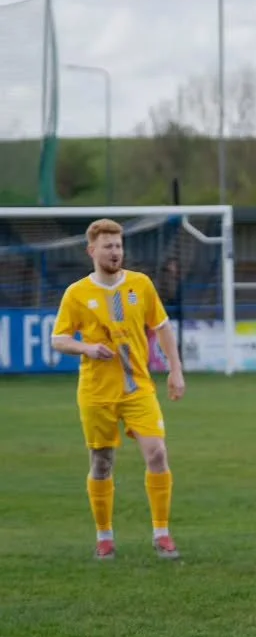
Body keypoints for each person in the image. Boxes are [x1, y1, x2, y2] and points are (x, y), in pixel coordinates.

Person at [50, 219, 187, 560]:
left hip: (138, 387)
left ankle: (162, 533)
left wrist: (176, 370)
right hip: (97, 391)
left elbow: (162, 325)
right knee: (101, 462)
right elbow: (58, 339)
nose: (115, 252)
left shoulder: (140, 285)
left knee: (157, 453)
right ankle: (105, 537)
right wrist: (86, 349)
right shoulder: (77, 293)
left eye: (118, 245)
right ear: (91, 250)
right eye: (108, 246)